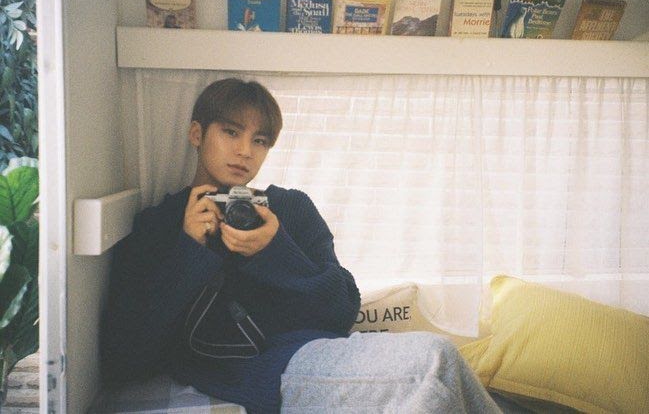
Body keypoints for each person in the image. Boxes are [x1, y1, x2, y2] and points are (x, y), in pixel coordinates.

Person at [100, 78, 501, 413]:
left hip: (317, 353)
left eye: (259, 140)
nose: (245, 151)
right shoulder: (159, 224)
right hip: (254, 374)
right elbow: (125, 358)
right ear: (196, 134)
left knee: (438, 364)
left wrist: (275, 250)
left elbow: (342, 310)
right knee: (434, 365)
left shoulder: (290, 208)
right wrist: (190, 250)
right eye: (231, 132)